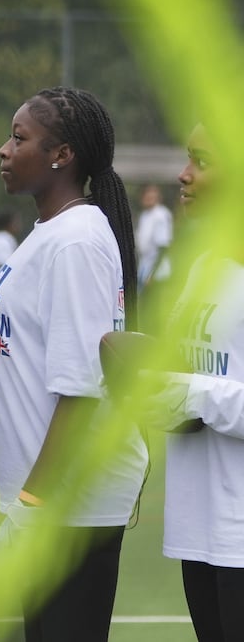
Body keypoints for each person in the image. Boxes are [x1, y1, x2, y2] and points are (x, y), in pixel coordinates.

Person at [0, 86, 147, 642]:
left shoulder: (74, 241)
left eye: (19, 138)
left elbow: (81, 390)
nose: (4, 150)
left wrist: (32, 506)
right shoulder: (51, 233)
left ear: (62, 155)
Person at [127, 121, 244, 641]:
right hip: (200, 528)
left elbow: (198, 389)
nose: (183, 174)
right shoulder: (203, 268)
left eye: (202, 159)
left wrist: (186, 392)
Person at [135, 182, 173, 290]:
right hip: (145, 266)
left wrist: (152, 274)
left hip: (157, 272)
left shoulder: (160, 215)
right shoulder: (145, 215)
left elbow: (163, 247)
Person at [0, 207, 22, 281]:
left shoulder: (6, 238)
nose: (18, 223)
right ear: (8, 223)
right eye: (16, 221)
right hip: (0, 280)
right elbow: (4, 264)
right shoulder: (0, 239)